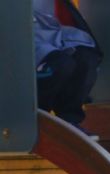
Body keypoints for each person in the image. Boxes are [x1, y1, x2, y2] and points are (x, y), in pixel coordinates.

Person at [32, 0, 102, 136]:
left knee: (86, 58)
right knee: (60, 64)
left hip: (51, 30)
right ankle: (36, 117)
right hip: (25, 36)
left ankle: (69, 120)